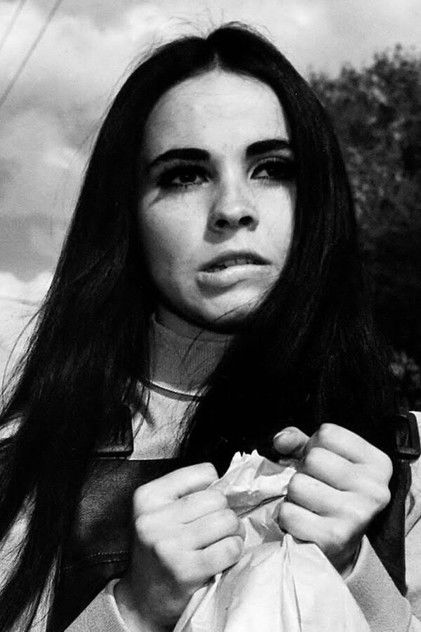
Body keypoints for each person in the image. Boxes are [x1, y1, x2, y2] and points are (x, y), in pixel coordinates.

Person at [0, 23, 420, 632]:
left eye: (271, 168)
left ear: (318, 199)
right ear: (126, 218)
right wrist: (134, 610)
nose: (232, 209)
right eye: (183, 175)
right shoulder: (27, 469)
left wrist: (359, 573)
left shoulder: (405, 460)